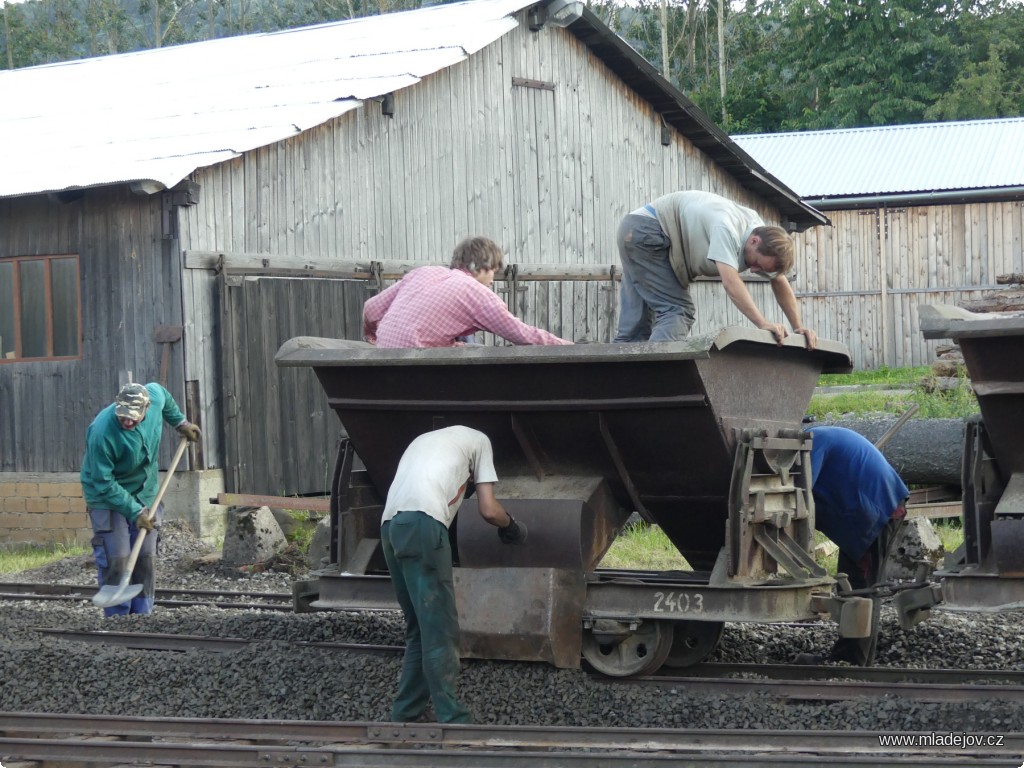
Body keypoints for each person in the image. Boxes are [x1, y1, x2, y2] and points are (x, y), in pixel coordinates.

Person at [380, 425, 527, 724]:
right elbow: (488, 509)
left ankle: (406, 713)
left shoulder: (424, 439)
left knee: (419, 630)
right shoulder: (480, 441)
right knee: (441, 629)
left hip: (389, 527)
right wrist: (512, 526)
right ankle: (453, 719)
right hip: (423, 523)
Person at [613, 190, 817, 348]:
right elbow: (730, 282)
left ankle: (615, 385)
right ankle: (652, 380)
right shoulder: (726, 228)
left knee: (634, 328)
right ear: (754, 241)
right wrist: (763, 324)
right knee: (677, 311)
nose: (754, 270)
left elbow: (778, 280)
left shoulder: (759, 232)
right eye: (757, 264)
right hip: (647, 232)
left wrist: (798, 327)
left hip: (635, 229)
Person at [80, 382, 201, 617]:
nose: (127, 421)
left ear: (147, 407)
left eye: (133, 417)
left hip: (145, 492)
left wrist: (181, 423)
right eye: (123, 416)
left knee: (145, 557)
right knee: (118, 558)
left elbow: (163, 393)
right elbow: (103, 482)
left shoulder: (153, 398)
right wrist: (135, 512)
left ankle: (142, 616)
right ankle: (117, 618)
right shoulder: (101, 432)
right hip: (107, 497)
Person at [806, 425, 910, 665]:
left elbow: (801, 488)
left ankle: (853, 662)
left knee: (861, 590)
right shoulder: (821, 436)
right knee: (853, 586)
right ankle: (853, 658)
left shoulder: (812, 442)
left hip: (878, 510)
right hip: (871, 510)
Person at [363, 236, 572, 348]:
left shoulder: (424, 272)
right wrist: (570, 347)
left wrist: (374, 338)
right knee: (476, 351)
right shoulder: (476, 294)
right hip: (418, 367)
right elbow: (522, 334)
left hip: (384, 357)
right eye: (493, 271)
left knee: (465, 344)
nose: (492, 279)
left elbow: (370, 309)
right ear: (480, 267)